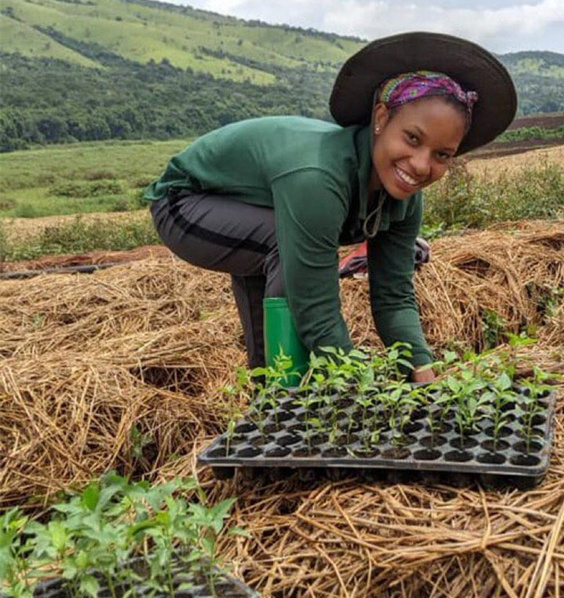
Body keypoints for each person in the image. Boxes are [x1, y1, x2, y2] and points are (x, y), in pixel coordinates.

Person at [144, 32, 517, 383]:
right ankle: (286, 399)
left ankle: (271, 396)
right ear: (382, 118)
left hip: (260, 211)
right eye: (412, 138)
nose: (421, 165)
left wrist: (421, 369)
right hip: (186, 202)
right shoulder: (318, 178)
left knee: (280, 260)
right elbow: (317, 308)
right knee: (282, 249)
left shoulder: (403, 198)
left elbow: (393, 296)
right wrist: (357, 388)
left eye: (441, 154)